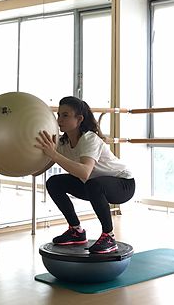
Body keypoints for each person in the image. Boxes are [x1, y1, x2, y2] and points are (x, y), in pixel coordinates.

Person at [35, 96, 135, 254]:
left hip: (123, 184)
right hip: (94, 185)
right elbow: (39, 169)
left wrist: (53, 154)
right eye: (58, 115)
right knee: (54, 182)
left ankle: (109, 236)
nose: (59, 119)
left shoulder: (89, 139)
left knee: (92, 184)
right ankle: (76, 231)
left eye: (65, 115)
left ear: (79, 119)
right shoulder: (63, 143)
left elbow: (84, 172)